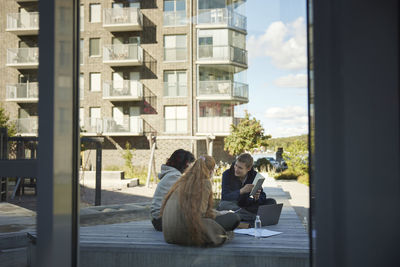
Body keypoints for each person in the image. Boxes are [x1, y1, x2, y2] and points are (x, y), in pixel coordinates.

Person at [160, 155, 240, 247]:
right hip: (185, 233)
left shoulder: (181, 182)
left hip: (169, 235)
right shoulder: (204, 183)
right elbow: (202, 213)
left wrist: (218, 213)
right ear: (210, 171)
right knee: (234, 218)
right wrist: (220, 214)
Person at [217, 153, 276, 223]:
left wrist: (256, 199)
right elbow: (225, 196)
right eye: (236, 165)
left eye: (240, 168)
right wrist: (241, 191)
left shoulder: (255, 175)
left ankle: (242, 216)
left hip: (248, 206)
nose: (236, 169)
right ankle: (254, 217)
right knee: (223, 205)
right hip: (234, 205)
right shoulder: (227, 174)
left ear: (248, 168)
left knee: (271, 202)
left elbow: (262, 196)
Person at [150, 149, 195, 231]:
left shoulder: (171, 174)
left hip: (158, 219)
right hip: (162, 220)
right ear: (186, 164)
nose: (190, 167)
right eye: (190, 164)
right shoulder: (174, 176)